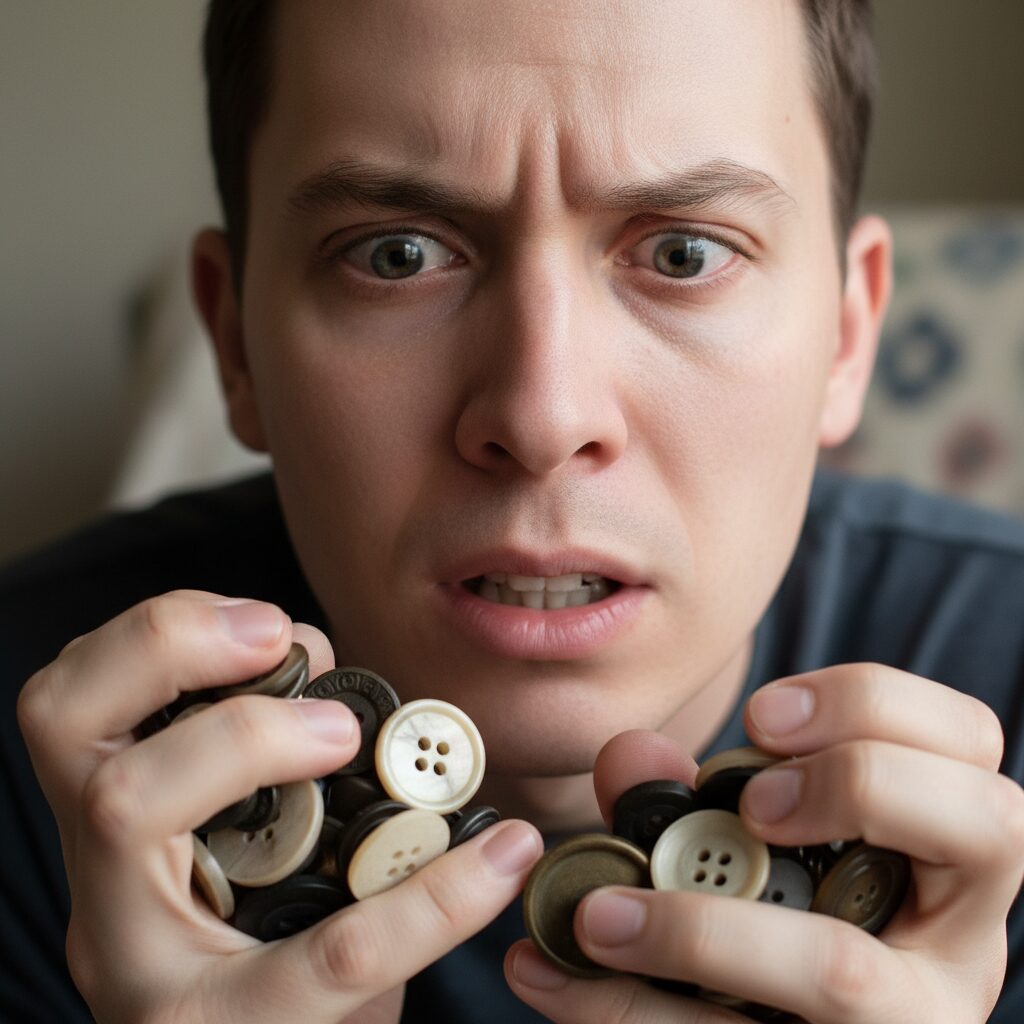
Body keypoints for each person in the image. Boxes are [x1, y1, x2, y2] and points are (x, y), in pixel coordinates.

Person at [4, 1, 1024, 1021]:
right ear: (235, 345)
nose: (542, 416)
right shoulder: (39, 775)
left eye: (683, 254)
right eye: (395, 253)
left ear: (848, 336)